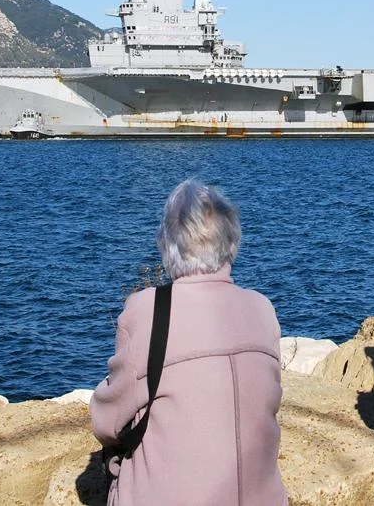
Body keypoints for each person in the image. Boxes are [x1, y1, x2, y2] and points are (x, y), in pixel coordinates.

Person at [90, 179, 288, 506]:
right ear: (232, 241)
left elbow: (106, 423)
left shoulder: (146, 310)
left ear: (167, 244)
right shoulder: (262, 308)